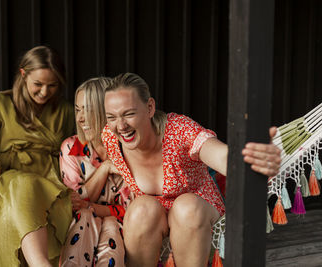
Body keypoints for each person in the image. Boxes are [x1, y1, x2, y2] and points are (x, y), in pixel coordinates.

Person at [101, 73, 281, 267]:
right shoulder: (111, 138)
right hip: (152, 219)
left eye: (129, 114)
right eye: (111, 117)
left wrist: (248, 161)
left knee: (186, 207)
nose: (120, 126)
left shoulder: (178, 130)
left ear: (150, 107)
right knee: (140, 208)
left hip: (197, 210)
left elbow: (218, 154)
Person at [0, 46, 75, 266]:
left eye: (52, 85)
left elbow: (78, 152)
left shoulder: (66, 111)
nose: (45, 92)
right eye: (38, 84)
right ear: (23, 74)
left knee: (46, 197)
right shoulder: (0, 103)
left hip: (51, 183)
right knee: (24, 185)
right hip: (12, 180)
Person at [59, 77, 133, 267]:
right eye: (77, 110)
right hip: (84, 222)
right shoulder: (71, 147)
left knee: (110, 226)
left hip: (126, 227)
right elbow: (74, 203)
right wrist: (106, 168)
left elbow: (134, 208)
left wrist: (96, 209)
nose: (80, 118)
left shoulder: (129, 146)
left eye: (88, 110)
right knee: (83, 217)